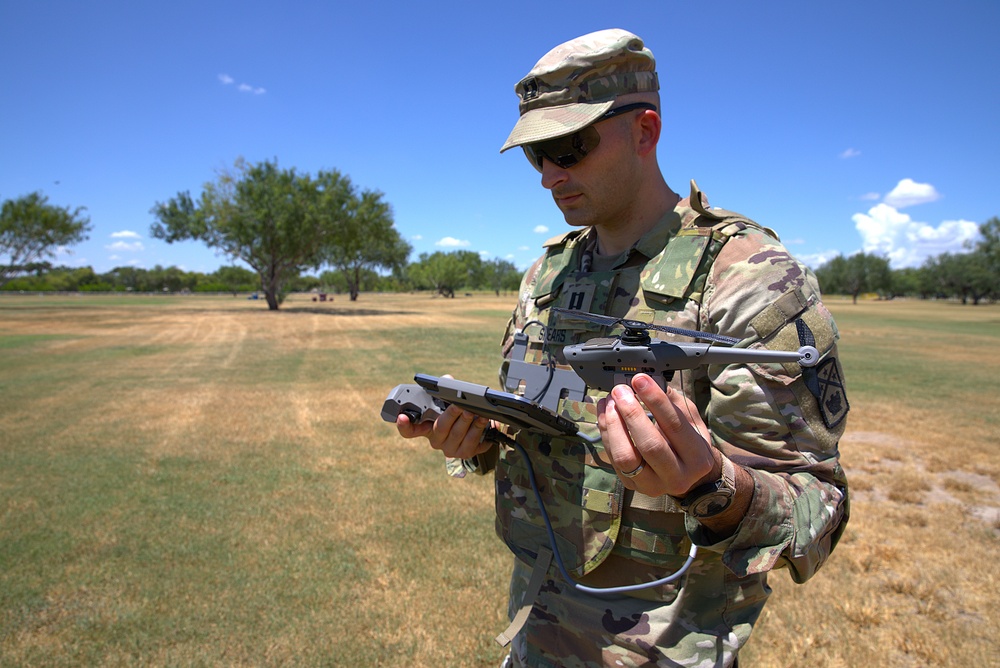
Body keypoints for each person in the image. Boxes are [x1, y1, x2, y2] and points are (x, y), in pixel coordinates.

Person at [396, 28, 849, 668]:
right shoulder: (547, 276)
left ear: (645, 131)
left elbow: (819, 511)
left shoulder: (751, 278)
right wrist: (477, 443)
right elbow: (540, 433)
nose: (550, 175)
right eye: (536, 156)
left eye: (569, 146)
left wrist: (712, 486)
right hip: (535, 640)